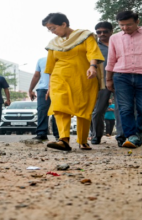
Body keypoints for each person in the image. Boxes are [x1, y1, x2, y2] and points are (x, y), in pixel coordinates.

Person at [42, 13, 105, 151]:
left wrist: (93, 66)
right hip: (59, 79)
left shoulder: (84, 35)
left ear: (63, 24)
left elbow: (92, 52)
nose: (52, 32)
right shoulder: (54, 43)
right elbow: (51, 66)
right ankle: (63, 139)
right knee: (59, 107)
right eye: (49, 29)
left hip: (83, 77)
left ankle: (82, 140)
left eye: (53, 28)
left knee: (83, 109)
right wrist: (50, 86)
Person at [106, 11, 142, 148]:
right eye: (121, 25)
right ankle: (131, 136)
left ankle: (138, 132)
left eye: (129, 24)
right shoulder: (114, 38)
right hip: (121, 76)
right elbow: (111, 59)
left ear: (137, 22)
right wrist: (108, 79)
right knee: (125, 108)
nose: (125, 28)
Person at [90, 21, 125, 146]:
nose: (102, 34)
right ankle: (96, 135)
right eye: (99, 32)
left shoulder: (121, 43)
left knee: (120, 110)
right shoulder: (94, 47)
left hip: (121, 80)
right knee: (98, 110)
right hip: (102, 82)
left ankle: (121, 137)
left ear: (111, 31)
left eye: (105, 31)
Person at [28, 57, 59, 141]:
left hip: (58, 88)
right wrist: (31, 89)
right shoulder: (41, 60)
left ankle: (59, 135)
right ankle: (41, 133)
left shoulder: (62, 58)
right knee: (42, 110)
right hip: (43, 89)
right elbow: (36, 75)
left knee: (57, 111)